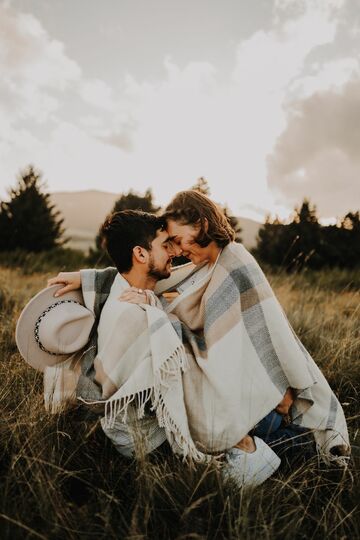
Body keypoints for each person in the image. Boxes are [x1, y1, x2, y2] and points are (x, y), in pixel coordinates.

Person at [50, 192, 350, 472]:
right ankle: (286, 446)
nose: (177, 251)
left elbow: (268, 337)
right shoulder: (202, 266)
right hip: (224, 382)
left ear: (202, 226)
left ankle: (305, 450)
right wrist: (88, 278)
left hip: (263, 384)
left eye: (178, 240)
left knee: (272, 424)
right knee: (261, 430)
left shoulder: (235, 265)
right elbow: (138, 275)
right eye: (170, 243)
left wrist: (281, 386)